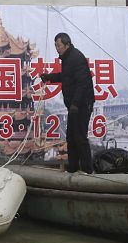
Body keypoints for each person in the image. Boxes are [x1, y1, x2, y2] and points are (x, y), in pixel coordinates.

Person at [40, 33, 95, 174]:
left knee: (80, 137)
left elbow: (82, 83)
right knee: (71, 137)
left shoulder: (76, 58)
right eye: (55, 46)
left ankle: (87, 170)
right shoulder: (67, 58)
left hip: (82, 104)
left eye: (59, 45)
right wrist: (49, 77)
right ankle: (73, 168)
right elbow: (65, 76)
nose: (57, 48)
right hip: (73, 106)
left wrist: (75, 103)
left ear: (67, 45)